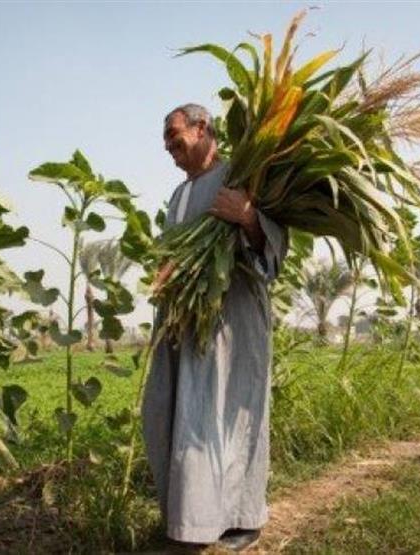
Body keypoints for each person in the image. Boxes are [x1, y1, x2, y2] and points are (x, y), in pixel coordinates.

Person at [141, 104, 288, 552]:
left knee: (231, 413)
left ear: (202, 128)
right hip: (184, 323)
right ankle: (190, 521)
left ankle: (243, 518)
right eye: (165, 140)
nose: (167, 146)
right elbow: (175, 252)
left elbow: (274, 247)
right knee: (181, 413)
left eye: (173, 134)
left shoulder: (244, 174)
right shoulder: (177, 197)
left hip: (234, 319)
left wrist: (247, 216)